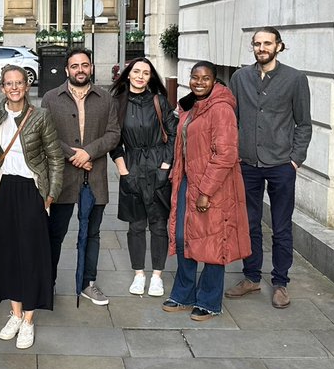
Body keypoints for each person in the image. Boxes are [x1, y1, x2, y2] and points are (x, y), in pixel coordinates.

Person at [224, 27, 312, 309]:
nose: (262, 48)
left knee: (281, 225)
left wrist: (295, 159)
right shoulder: (240, 78)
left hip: (281, 165)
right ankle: (251, 277)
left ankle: (280, 282)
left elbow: (304, 123)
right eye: (257, 44)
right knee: (248, 223)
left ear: (279, 46)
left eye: (267, 43)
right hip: (247, 163)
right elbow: (231, 118)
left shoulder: (295, 79)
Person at [163, 62, 251, 320]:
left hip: (213, 186)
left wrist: (206, 192)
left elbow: (225, 155)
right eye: (194, 77)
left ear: (215, 81)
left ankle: (210, 301)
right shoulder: (192, 105)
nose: (199, 82)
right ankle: (184, 293)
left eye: (205, 78)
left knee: (213, 241)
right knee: (183, 239)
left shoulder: (221, 109)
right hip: (187, 182)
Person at [0, 65, 63, 349]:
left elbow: (55, 157)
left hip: (31, 190)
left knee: (32, 254)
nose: (14, 88)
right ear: (2, 87)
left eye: (19, 83)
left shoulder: (40, 116)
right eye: (9, 83)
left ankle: (29, 319)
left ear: (27, 86)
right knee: (6, 253)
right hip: (0, 190)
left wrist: (50, 195)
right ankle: (15, 313)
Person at [43, 47, 121, 305]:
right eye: (75, 66)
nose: (80, 70)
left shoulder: (106, 98)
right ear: (67, 69)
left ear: (91, 68)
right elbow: (47, 134)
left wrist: (88, 153)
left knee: (92, 233)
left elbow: (113, 134)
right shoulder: (51, 98)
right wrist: (72, 156)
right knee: (55, 233)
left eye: (84, 65)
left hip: (94, 177)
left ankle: (88, 283)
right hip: (62, 178)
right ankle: (47, 282)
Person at [110, 58, 177, 298]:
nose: (140, 76)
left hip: (159, 165)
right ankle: (139, 274)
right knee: (136, 225)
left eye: (145, 73)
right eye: (136, 72)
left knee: (159, 224)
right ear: (128, 75)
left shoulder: (159, 102)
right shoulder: (117, 104)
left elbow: (174, 134)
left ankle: (157, 276)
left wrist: (165, 166)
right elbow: (113, 141)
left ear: (150, 77)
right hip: (132, 166)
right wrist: (123, 171)